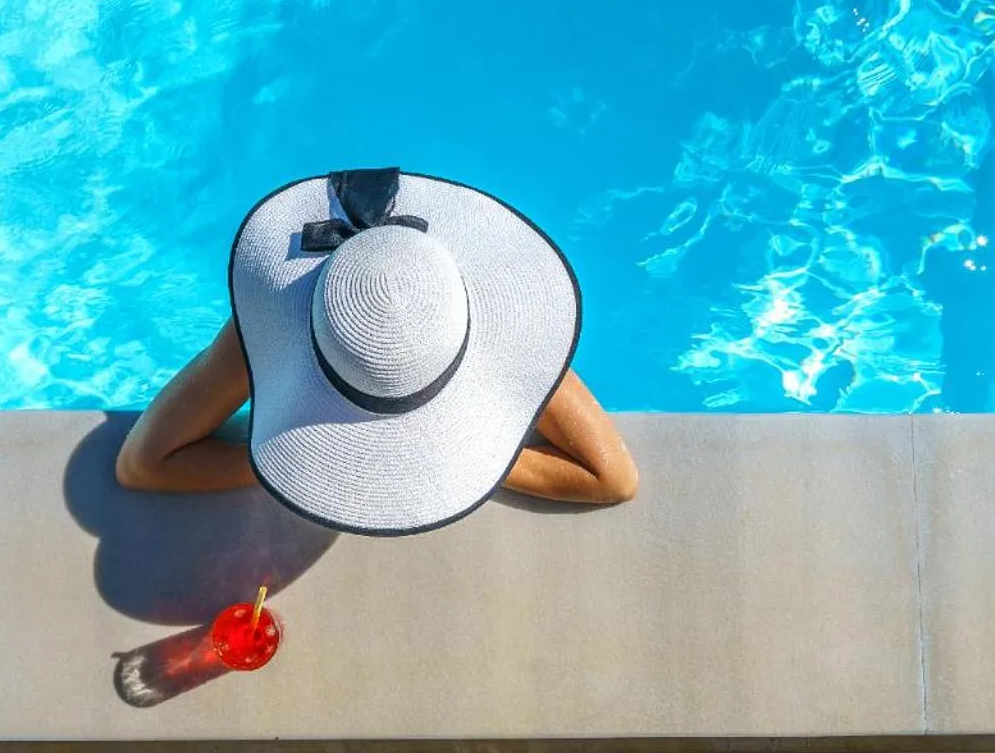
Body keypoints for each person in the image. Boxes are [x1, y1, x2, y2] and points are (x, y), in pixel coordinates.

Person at [116, 167, 638, 536]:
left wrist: (468, 456)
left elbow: (611, 477)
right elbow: (144, 464)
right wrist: (289, 463)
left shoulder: (460, 314)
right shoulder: (285, 316)